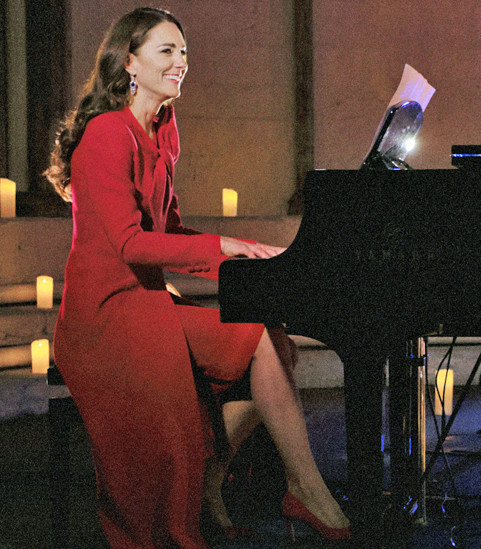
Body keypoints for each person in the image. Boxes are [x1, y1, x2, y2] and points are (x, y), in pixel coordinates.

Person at [44, 7, 349, 547]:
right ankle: (284, 487)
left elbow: (170, 228)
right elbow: (129, 243)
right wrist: (224, 245)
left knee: (268, 342)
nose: (181, 63)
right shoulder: (105, 135)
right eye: (167, 51)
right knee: (256, 347)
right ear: (128, 63)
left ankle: (261, 483)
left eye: (184, 52)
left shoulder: (162, 128)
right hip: (103, 318)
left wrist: (244, 255)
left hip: (145, 302)